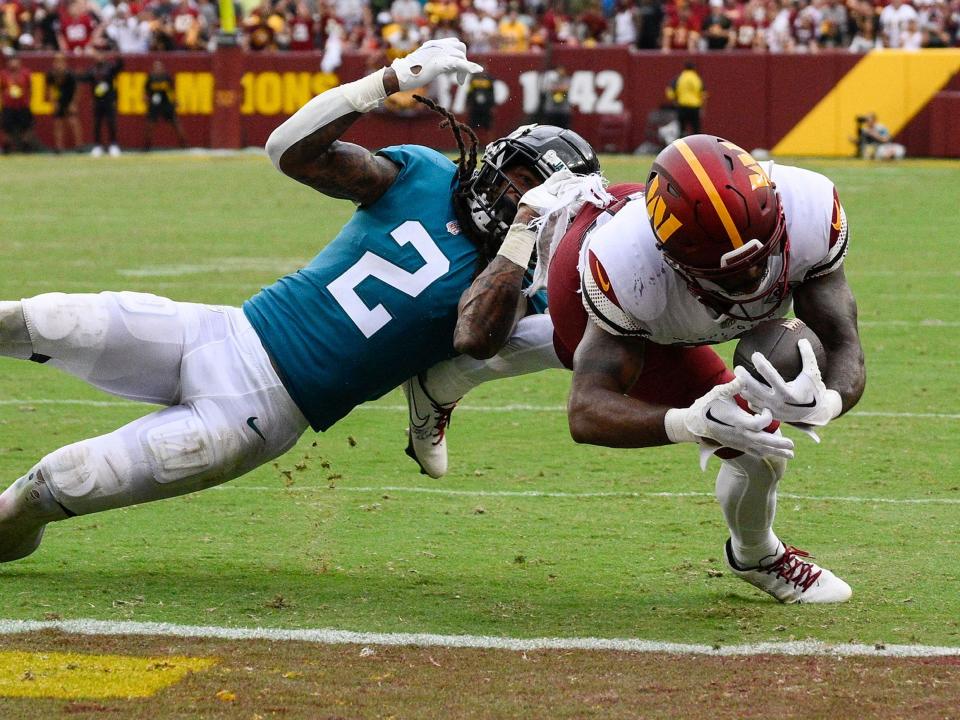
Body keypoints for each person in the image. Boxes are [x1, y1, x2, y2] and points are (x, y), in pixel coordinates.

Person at [0, 39, 598, 565]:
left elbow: (476, 339)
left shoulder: (513, 283)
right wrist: (385, 82)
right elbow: (287, 150)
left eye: (539, 192)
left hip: (255, 417)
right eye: (521, 176)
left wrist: (524, 232)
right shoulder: (422, 174)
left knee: (57, 482)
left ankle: (16, 530)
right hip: (222, 332)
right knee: (39, 318)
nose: (518, 193)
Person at [405, 135, 866, 605]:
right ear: (671, 257)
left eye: (761, 259)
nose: (751, 283)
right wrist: (688, 423)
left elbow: (844, 343)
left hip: (649, 268)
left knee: (745, 409)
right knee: (754, 444)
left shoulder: (810, 209)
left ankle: (444, 380)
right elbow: (585, 411)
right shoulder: (626, 268)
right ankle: (757, 556)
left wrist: (825, 403)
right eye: (727, 276)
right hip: (588, 278)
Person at [80, 51, 123, 158]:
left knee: (111, 123)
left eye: (100, 54)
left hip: (109, 100)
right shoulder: (92, 70)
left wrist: (118, 57)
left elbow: (119, 67)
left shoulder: (110, 68)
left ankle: (113, 145)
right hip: (97, 101)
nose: (99, 57)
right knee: (97, 124)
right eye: (97, 54)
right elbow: (84, 78)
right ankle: (97, 146)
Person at [143, 60, 187, 151]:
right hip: (154, 104)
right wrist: (146, 98)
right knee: (149, 125)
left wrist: (175, 100)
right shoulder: (150, 78)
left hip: (166, 103)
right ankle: (147, 146)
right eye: (156, 67)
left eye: (159, 67)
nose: (158, 69)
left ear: (162, 68)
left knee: (176, 123)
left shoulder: (166, 77)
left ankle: (184, 144)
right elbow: (146, 92)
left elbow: (172, 90)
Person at [0, 54, 39, 153]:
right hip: (8, 106)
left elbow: (30, 88)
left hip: (23, 105)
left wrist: (28, 100)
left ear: (19, 62)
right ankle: (7, 147)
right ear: (8, 63)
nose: (13, 63)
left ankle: (26, 147)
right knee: (6, 127)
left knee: (26, 126)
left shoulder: (26, 73)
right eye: (11, 61)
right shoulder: (3, 74)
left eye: (15, 61)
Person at [45, 53, 83, 154]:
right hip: (59, 100)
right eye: (56, 62)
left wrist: (73, 103)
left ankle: (79, 146)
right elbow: (50, 90)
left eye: (61, 62)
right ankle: (59, 147)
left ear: (65, 63)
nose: (58, 64)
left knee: (73, 122)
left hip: (69, 99)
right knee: (58, 123)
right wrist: (54, 103)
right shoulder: (51, 74)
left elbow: (77, 90)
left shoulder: (70, 75)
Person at [666, 62, 706, 137]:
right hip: (695, 107)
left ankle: (682, 147)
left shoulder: (679, 78)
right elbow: (703, 94)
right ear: (694, 68)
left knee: (681, 130)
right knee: (696, 131)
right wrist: (702, 107)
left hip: (682, 106)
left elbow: (670, 91)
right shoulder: (697, 79)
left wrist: (674, 101)